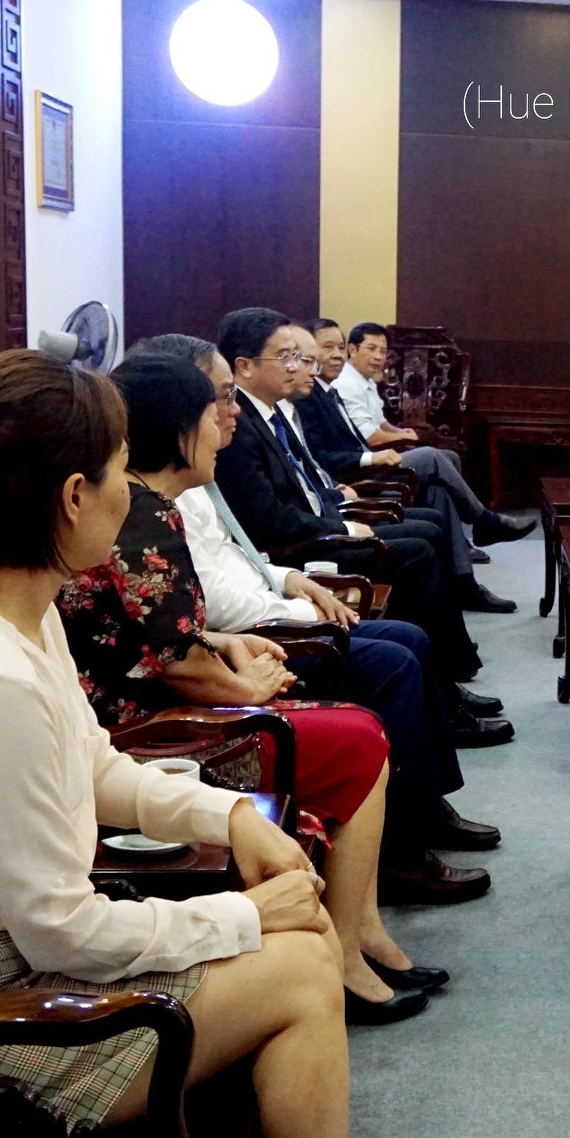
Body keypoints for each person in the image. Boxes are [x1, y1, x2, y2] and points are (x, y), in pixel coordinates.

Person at [0, 351, 357, 1138]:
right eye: (115, 471)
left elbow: (94, 764)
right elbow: (61, 932)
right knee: (295, 966)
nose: (126, 492)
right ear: (72, 497)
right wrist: (241, 913)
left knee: (295, 946)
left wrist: (234, 819)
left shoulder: (5, 601)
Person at [54, 353, 443, 1018]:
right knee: (359, 738)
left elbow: (155, 631)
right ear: (178, 426)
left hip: (156, 705)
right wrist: (250, 688)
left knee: (359, 722)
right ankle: (346, 954)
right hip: (152, 732)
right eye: (214, 410)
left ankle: (362, 929)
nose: (224, 424)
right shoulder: (141, 514)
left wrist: (221, 646)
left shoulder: (150, 505)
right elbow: (172, 661)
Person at [127, 333, 507, 905]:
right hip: (254, 637)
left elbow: (238, 558)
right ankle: (402, 851)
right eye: (218, 399)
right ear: (177, 414)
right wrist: (296, 605)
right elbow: (211, 602)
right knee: (395, 653)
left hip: (261, 609)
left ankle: (426, 806)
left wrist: (290, 582)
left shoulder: (189, 479)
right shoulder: (157, 505)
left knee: (405, 632)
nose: (228, 412)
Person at [210, 307, 484, 686]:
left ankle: (447, 668)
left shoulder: (268, 415)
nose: (298, 367)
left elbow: (303, 482)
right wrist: (343, 525)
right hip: (300, 546)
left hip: (314, 525)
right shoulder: (239, 429)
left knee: (426, 531)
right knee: (417, 549)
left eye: (299, 357)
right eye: (286, 357)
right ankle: (448, 672)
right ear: (244, 366)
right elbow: (268, 521)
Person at [288, 323, 518, 612]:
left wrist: (395, 436)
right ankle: (484, 521)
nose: (336, 355)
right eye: (327, 348)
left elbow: (365, 432)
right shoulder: (311, 397)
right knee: (435, 457)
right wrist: (375, 456)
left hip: (364, 466)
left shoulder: (329, 391)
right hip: (356, 476)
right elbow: (328, 457)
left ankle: (463, 584)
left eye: (338, 347)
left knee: (438, 490)